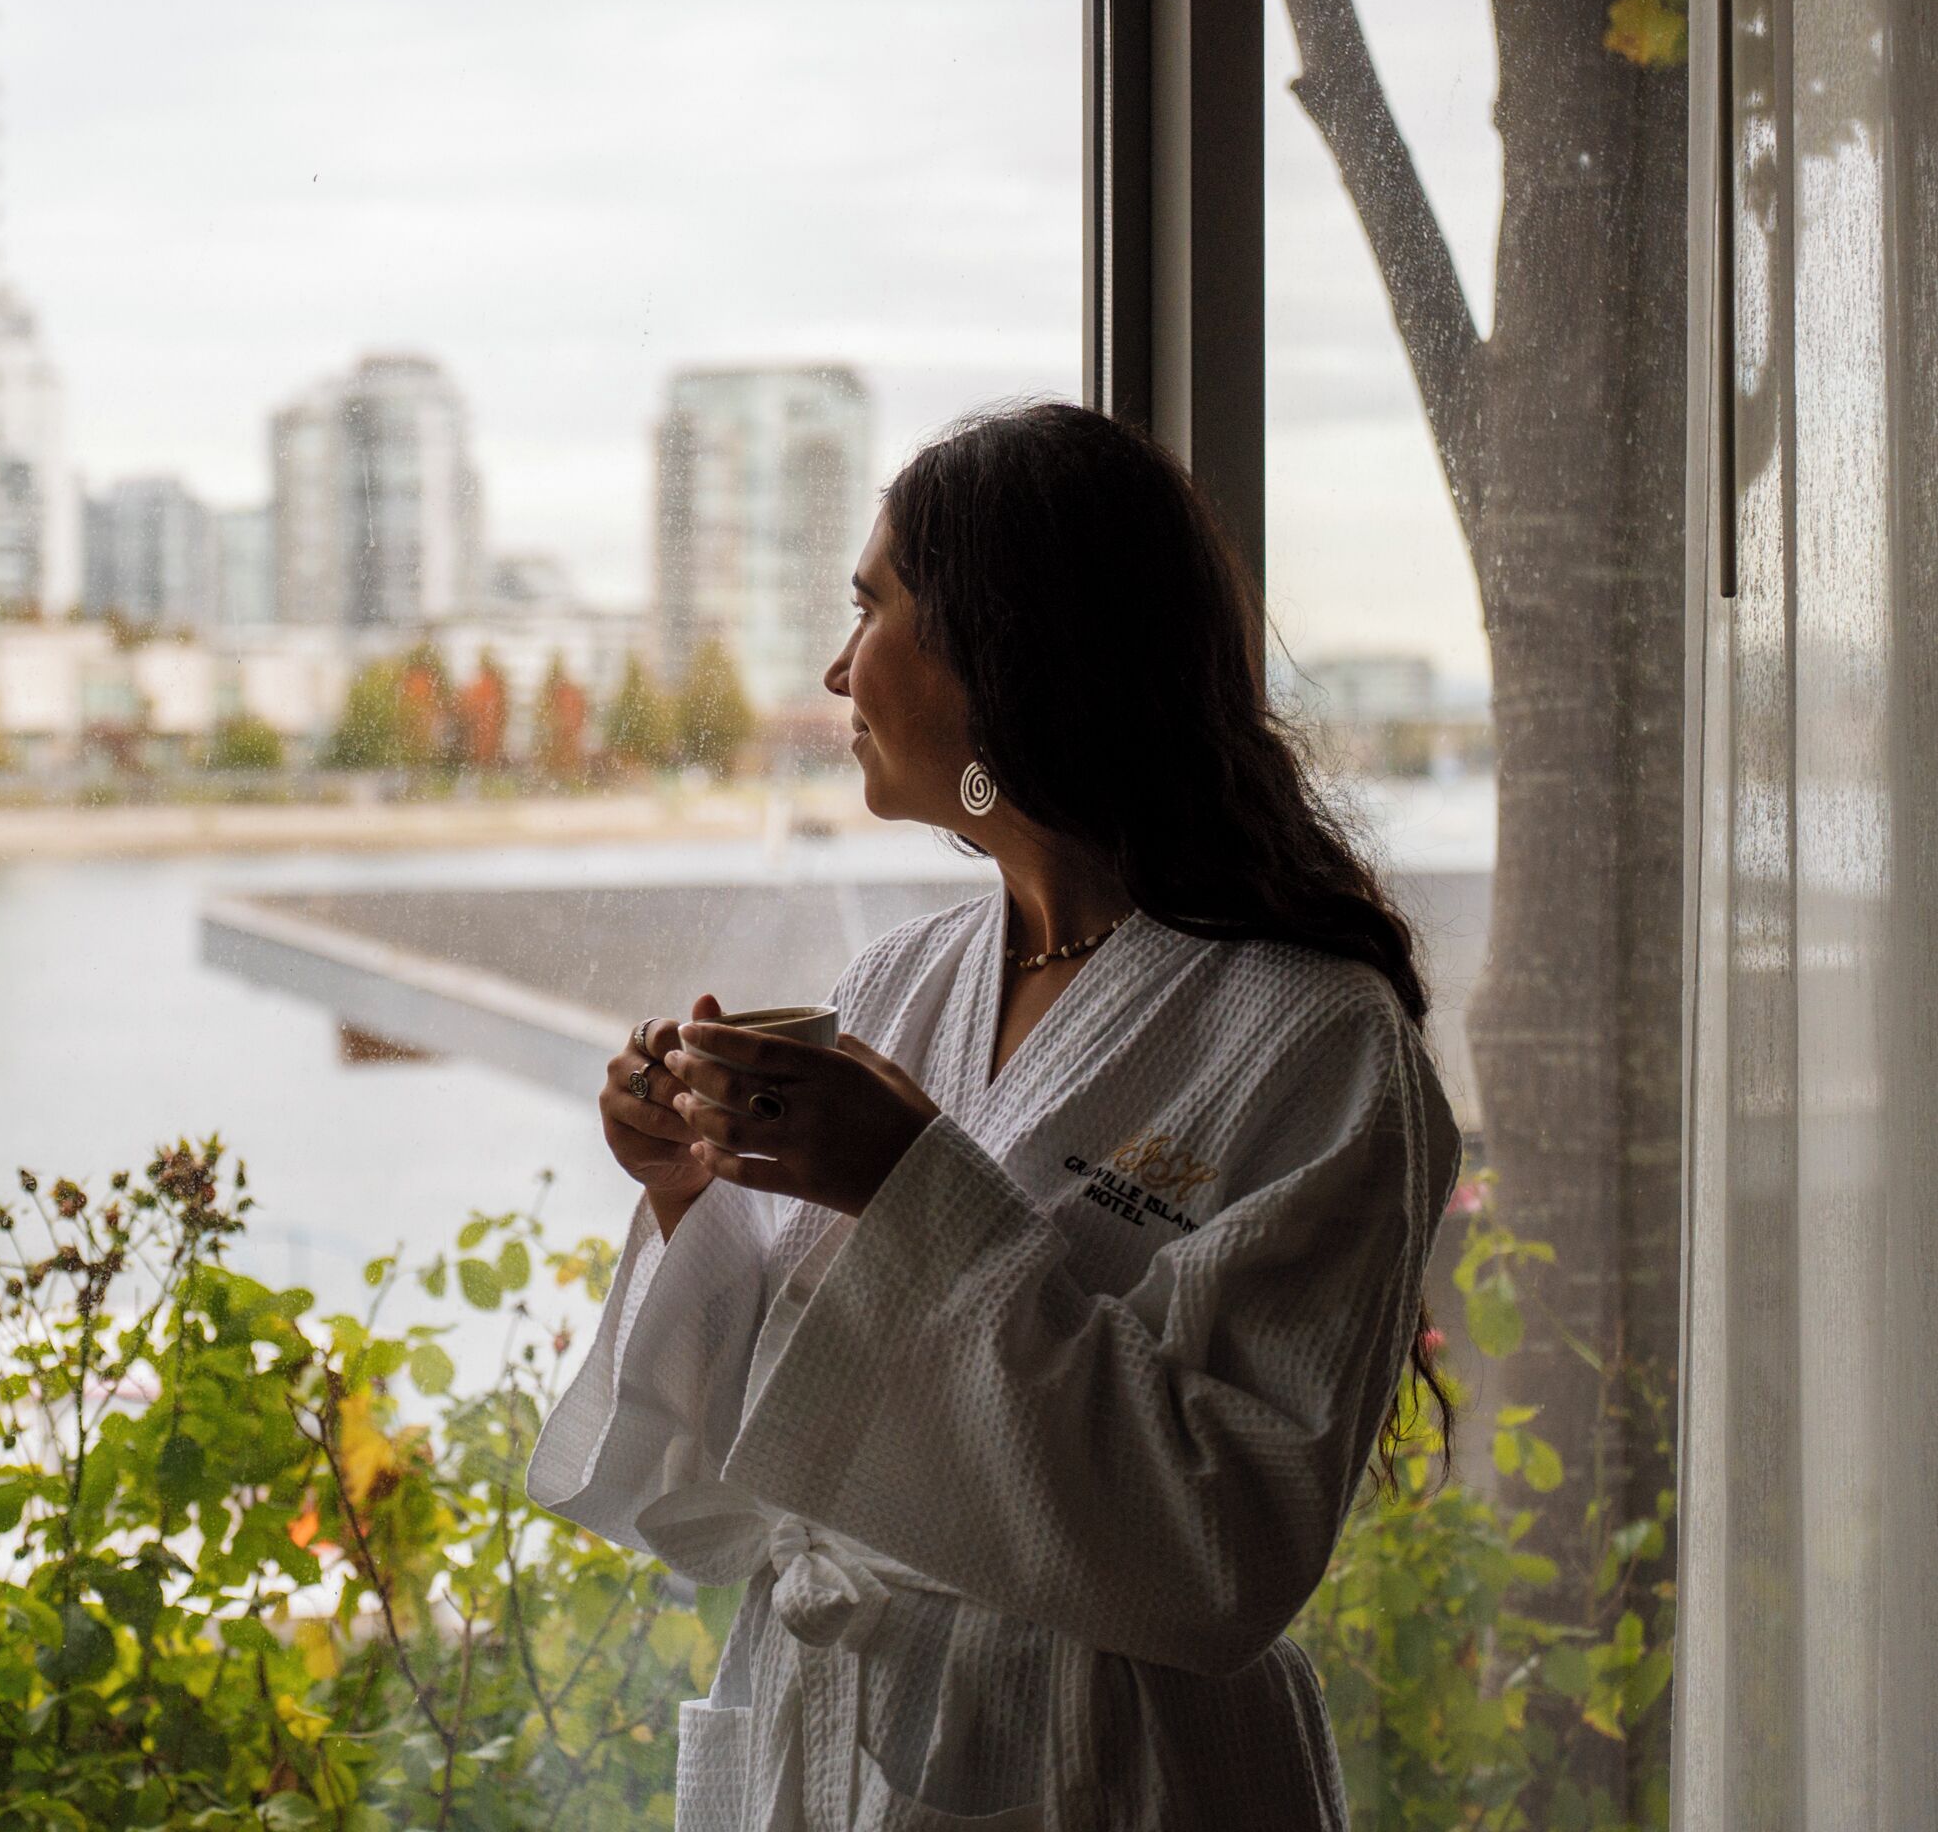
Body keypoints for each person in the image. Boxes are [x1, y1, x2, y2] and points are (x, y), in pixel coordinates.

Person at [525, 401, 1458, 1831]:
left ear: (1004, 649)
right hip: (826, 1726)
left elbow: (1228, 1545)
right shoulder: (900, 984)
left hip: (1105, 1765)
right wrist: (686, 1197)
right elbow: (759, 1454)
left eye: (873, 606)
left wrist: (912, 1193)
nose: (840, 667)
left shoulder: (1313, 1040)